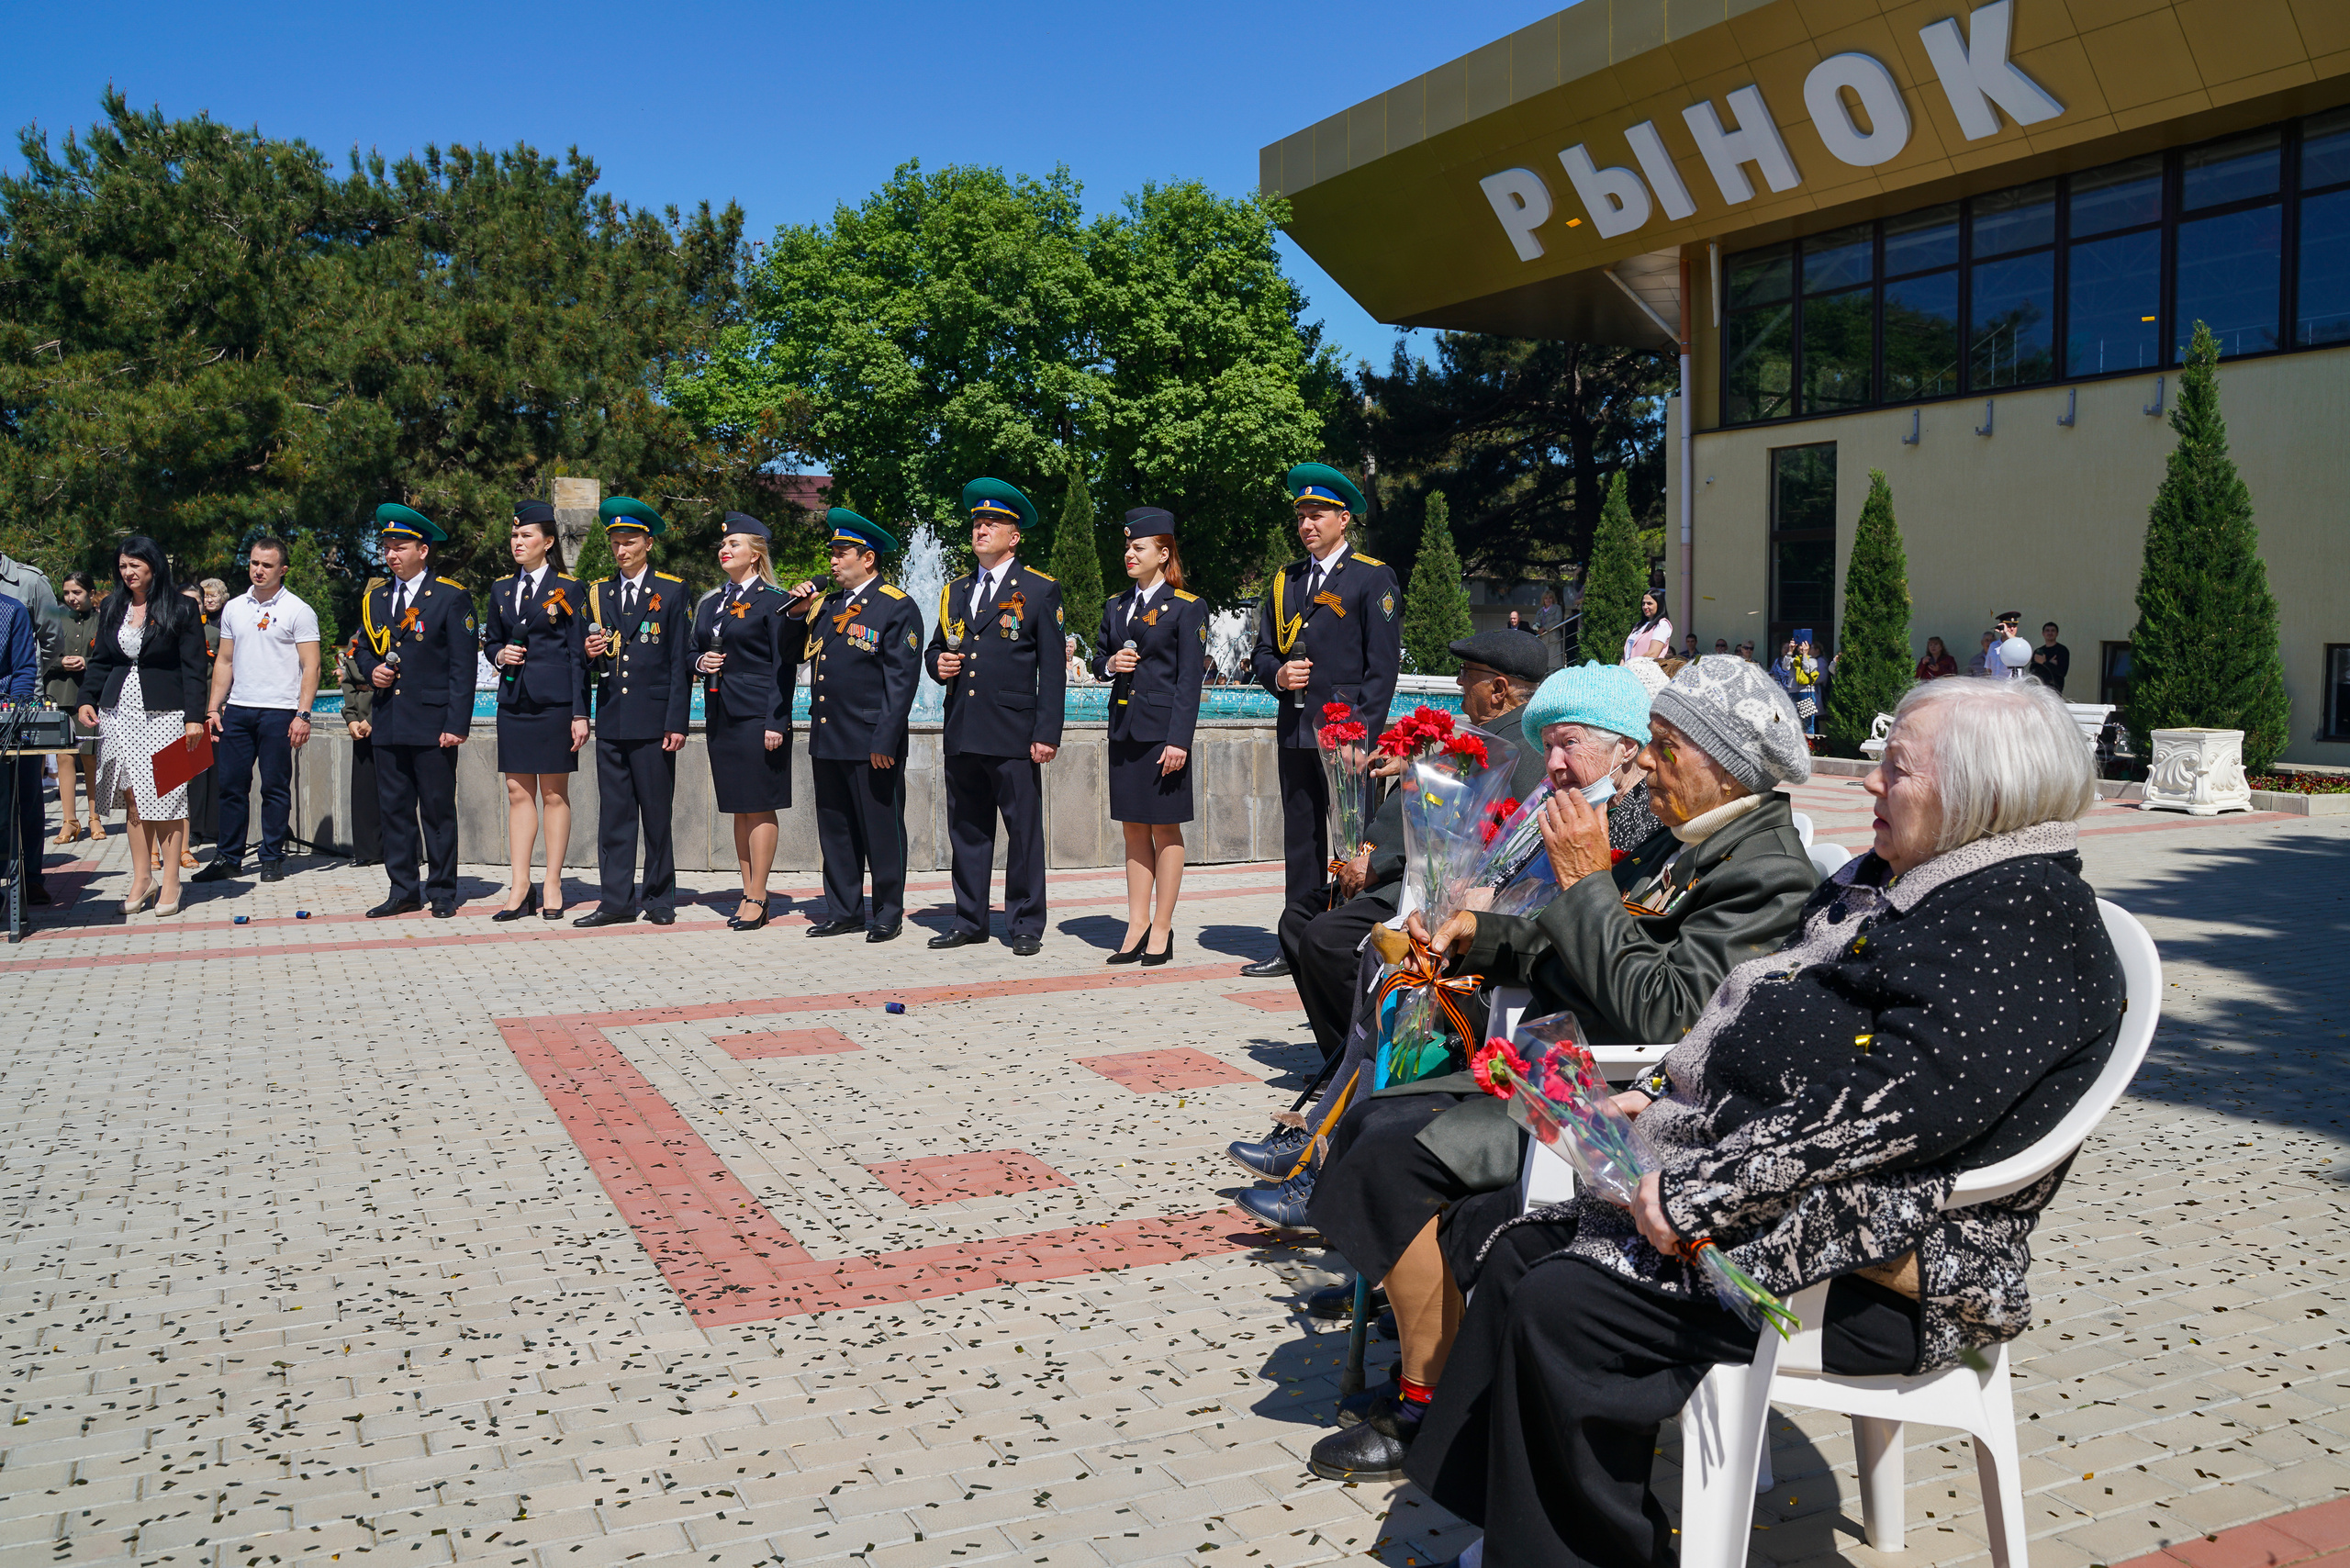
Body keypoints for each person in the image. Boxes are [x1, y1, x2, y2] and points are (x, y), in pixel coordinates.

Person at [1407, 677, 2121, 1568]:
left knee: (1566, 1300)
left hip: (1888, 1264)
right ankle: (1523, 1534)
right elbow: (1770, 1023)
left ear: (1980, 791)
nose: (1867, 783)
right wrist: (1673, 1094)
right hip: (1802, 1210)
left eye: (1893, 767)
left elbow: (1897, 1109)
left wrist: (1699, 1186)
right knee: (1518, 1250)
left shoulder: (2023, 920)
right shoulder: (1910, 885)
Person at [1301, 655, 1818, 1484]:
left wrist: (1584, 878)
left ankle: (1427, 1405)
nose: (1646, 763)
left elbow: (1664, 1015)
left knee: (1390, 1152)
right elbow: (1577, 943)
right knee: (1371, 1113)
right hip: (1569, 1074)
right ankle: (1434, 1342)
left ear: (1720, 764)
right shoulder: (1695, 843)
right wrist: (1485, 934)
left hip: (1629, 1112)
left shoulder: (1765, 872)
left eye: (1663, 746)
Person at [1229, 629, 1562, 1216]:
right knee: (1305, 922)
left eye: (1471, 675)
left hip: (1448, 903)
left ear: (1503, 689)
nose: (1459, 684)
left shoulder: (1525, 753)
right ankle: (1326, 1123)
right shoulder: (1485, 736)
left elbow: (1481, 846)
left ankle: (1330, 1137)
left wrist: (1383, 867)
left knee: (1347, 949)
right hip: (1425, 888)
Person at [1245, 463, 1403, 978]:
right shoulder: (1283, 581)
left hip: (1346, 736)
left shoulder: (1370, 577)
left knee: (1356, 842)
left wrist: (1364, 736)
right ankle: (1296, 939)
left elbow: (1381, 671)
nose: (1308, 525)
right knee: (1301, 840)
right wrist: (1277, 675)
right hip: (1294, 730)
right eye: (1302, 516)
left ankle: (1355, 935)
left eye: (1318, 515)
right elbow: (1263, 652)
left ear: (1343, 520)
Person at [923, 477, 1066, 956]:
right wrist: (937, 664)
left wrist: (1047, 732)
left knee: (1022, 830)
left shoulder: (1040, 590)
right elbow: (938, 647)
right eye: (977, 523)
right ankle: (969, 918)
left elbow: (1053, 670)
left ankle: (1025, 923)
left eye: (992, 523)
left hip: (1013, 729)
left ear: (1014, 535)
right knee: (967, 827)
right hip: (963, 725)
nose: (981, 529)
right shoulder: (957, 590)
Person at [791, 508, 922, 944]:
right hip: (829, 734)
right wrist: (796, 612)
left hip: (871, 740)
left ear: (867, 558)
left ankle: (888, 911)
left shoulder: (895, 605)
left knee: (881, 830)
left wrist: (886, 737)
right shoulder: (826, 605)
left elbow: (900, 682)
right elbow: (796, 654)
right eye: (832, 551)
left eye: (841, 552)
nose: (832, 560)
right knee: (836, 828)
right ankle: (844, 909)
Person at [1093, 508, 1207, 966]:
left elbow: (1189, 680)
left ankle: (1162, 927)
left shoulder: (1187, 607)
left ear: (1163, 553)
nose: (1129, 554)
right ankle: (1135, 923)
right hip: (1124, 729)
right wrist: (1108, 665)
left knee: (1165, 827)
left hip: (1163, 735)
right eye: (1127, 546)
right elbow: (1101, 656)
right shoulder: (1115, 605)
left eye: (1138, 547)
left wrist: (1179, 740)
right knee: (1133, 829)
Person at [575, 497, 695, 929]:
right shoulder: (599, 592)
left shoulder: (671, 589)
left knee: (656, 815)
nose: (621, 551)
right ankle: (615, 900)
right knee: (615, 816)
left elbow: (681, 661)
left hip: (653, 719)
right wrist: (590, 654)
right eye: (615, 544)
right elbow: (588, 658)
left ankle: (660, 897)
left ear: (647, 543)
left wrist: (676, 722)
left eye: (629, 542)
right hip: (612, 717)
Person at [354, 504, 476, 920]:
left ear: (422, 550)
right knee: (395, 809)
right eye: (387, 547)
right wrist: (374, 673)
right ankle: (403, 888)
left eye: (400, 546)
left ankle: (442, 889)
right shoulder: (377, 598)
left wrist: (457, 723)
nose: (391, 554)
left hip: (432, 722)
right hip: (389, 719)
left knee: (438, 810)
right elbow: (365, 653)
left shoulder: (450, 596)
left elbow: (463, 668)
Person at [76, 536, 208, 916]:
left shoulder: (181, 608)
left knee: (166, 795)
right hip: (120, 712)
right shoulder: (113, 607)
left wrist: (194, 717)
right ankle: (141, 877)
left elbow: (195, 667)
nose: (128, 572)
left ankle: (170, 881)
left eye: (135, 565)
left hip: (166, 713)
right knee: (133, 795)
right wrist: (87, 698)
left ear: (153, 566)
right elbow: (101, 659)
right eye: (122, 566)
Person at [690, 512, 805, 932]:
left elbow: (784, 665)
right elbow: (690, 652)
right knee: (738, 809)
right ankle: (746, 890)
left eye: (735, 544)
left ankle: (759, 894)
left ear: (755, 555)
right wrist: (701, 661)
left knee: (759, 806)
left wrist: (777, 720)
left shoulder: (775, 602)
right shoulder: (711, 602)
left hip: (759, 716)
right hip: (721, 714)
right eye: (723, 545)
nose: (725, 550)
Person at [483, 500, 589, 921]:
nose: (518, 542)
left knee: (553, 793)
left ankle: (552, 882)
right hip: (514, 701)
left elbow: (578, 655)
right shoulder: (501, 589)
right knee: (516, 792)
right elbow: (490, 639)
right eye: (514, 536)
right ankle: (521, 882)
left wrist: (580, 712)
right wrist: (498, 654)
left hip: (555, 703)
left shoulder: (570, 587)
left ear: (547, 543)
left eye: (526, 535)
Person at [194, 538, 321, 886]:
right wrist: (212, 708)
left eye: (267, 565)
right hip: (238, 709)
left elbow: (311, 667)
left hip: (279, 712)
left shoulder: (298, 610)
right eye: (254, 563)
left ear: (283, 569)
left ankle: (271, 857)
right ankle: (229, 857)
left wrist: (303, 713)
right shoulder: (234, 607)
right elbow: (225, 660)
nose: (259, 570)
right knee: (231, 785)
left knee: (275, 788)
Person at [46, 572, 104, 846]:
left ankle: (94, 817)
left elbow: (111, 656)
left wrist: (86, 661)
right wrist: (60, 663)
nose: (71, 597)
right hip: (60, 694)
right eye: (67, 592)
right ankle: (69, 821)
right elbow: (43, 655)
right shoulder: (55, 618)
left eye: (77, 592)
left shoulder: (103, 620)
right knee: (64, 758)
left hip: (91, 697)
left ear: (91, 594)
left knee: (90, 758)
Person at [0, 590, 46, 911]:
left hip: (8, 718)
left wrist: (11, 712)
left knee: (25, 797)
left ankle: (30, 878)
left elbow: (24, 671)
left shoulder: (12, 610)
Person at [335, 632, 382, 866]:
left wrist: (374, 719)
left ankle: (402, 851)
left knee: (395, 790)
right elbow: (349, 683)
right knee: (364, 789)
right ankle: (368, 850)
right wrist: (351, 717)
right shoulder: (357, 640)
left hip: (386, 718)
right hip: (360, 722)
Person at [1774, 631, 1823, 734]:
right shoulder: (1794, 659)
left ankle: (1810, 746)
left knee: (1808, 723)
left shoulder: (1813, 660)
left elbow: (1807, 669)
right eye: (1800, 646)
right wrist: (1790, 652)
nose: (1801, 648)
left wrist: (1805, 655)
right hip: (1792, 692)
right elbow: (1785, 667)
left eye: (1804, 646)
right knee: (1792, 720)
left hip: (1805, 693)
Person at [1622, 590, 1672, 662]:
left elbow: (1653, 653)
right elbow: (1626, 654)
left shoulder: (1662, 624)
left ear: (1659, 605)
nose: (1645, 607)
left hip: (1645, 670)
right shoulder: (1639, 625)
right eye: (1643, 603)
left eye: (1649, 603)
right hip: (1628, 670)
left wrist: (1631, 665)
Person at [2033, 621, 2072, 694]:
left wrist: (2044, 663)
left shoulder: (2062, 650)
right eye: (2047, 631)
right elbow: (2034, 671)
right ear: (2043, 634)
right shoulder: (2039, 651)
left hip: (2055, 690)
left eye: (2053, 631)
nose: (2050, 633)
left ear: (2057, 634)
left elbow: (2062, 672)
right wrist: (2050, 664)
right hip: (2039, 689)